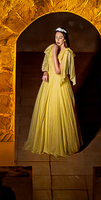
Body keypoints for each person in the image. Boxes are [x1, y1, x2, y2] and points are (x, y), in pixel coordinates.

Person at [23, 27, 80, 157]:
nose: (57, 40)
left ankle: (58, 144)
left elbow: (59, 71)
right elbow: (46, 65)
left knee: (57, 112)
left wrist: (55, 54)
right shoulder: (50, 48)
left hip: (59, 85)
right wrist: (45, 72)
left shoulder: (67, 53)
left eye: (60, 37)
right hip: (48, 84)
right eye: (56, 37)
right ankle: (46, 142)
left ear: (65, 38)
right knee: (45, 111)